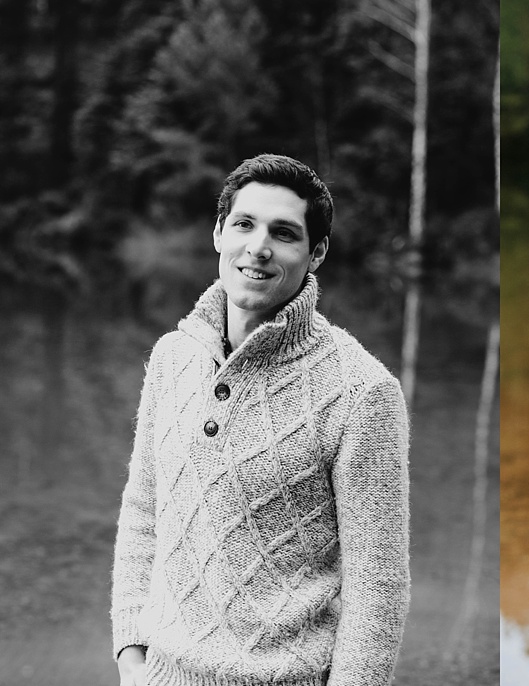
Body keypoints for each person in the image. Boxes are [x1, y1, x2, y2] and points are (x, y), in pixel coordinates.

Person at [112, 154, 410, 686]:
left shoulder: (363, 392)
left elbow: (377, 590)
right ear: (218, 234)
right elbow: (143, 511)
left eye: (284, 233)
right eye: (244, 225)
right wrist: (131, 654)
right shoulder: (171, 356)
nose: (258, 247)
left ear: (315, 253)